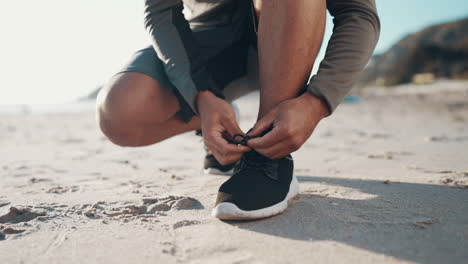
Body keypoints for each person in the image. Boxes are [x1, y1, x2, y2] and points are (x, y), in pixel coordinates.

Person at [96, 0, 380, 220]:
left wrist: (316, 101)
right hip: (206, 50)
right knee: (119, 111)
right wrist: (200, 95)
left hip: (289, 35)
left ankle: (268, 156)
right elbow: (160, 12)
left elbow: (359, 14)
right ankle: (218, 117)